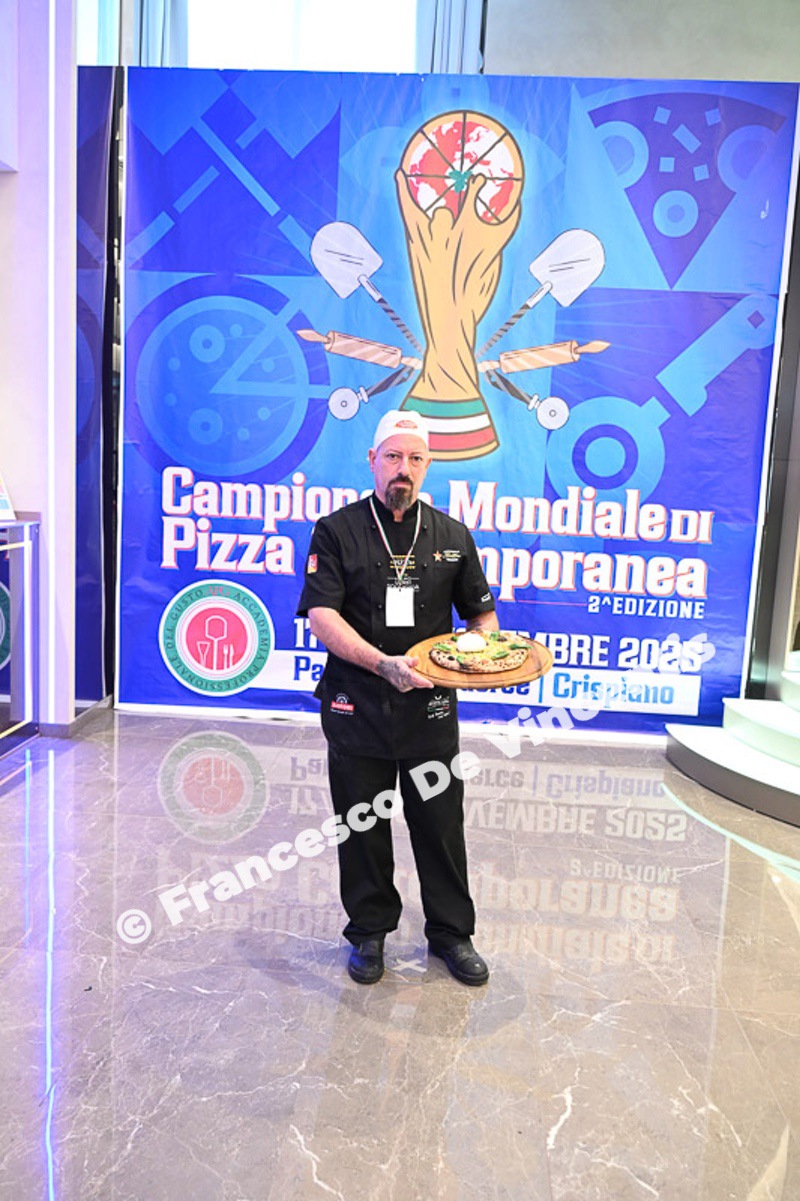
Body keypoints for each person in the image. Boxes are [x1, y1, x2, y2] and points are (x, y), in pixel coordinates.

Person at [297, 409, 498, 986]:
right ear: (372, 461)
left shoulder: (453, 536)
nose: (402, 469)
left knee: (440, 825)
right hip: (355, 705)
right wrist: (382, 664)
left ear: (427, 465)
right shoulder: (336, 531)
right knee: (360, 825)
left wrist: (477, 654)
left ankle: (452, 934)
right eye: (392, 457)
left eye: (414, 458)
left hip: (429, 710)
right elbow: (322, 615)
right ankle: (368, 932)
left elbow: (482, 617)